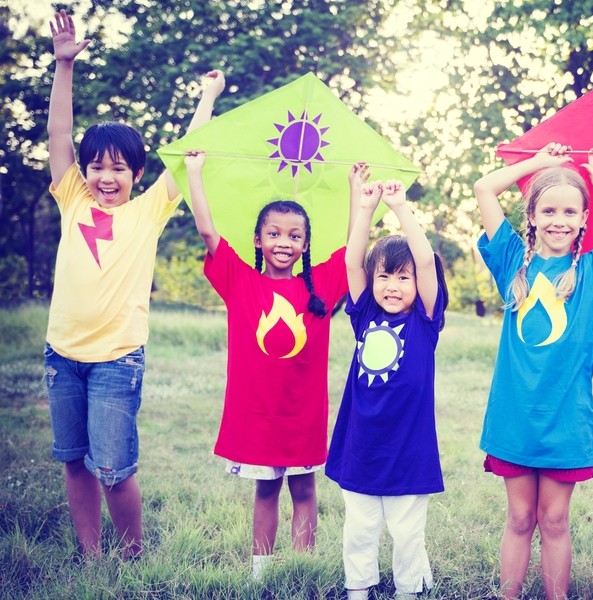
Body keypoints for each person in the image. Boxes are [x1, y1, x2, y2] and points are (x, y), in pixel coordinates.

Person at [44, 8, 223, 560]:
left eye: (119, 168)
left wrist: (207, 98)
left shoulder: (149, 211)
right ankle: (92, 554)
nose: (105, 177)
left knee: (115, 471)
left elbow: (188, 147)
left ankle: (130, 555)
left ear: (136, 175)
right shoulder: (71, 197)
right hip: (62, 356)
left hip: (117, 359)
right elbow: (57, 132)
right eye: (96, 165)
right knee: (74, 460)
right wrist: (64, 66)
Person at [473, 142, 593, 599]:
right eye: (548, 209)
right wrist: (541, 164)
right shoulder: (512, 260)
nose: (559, 220)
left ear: (582, 220)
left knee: (554, 520)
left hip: (565, 419)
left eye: (570, 212)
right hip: (515, 416)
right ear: (531, 216)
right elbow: (484, 188)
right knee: (519, 518)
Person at [183, 151, 359, 579]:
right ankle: (260, 570)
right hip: (257, 414)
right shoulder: (240, 281)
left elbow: (354, 248)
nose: (285, 242)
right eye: (275, 234)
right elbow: (206, 230)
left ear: (305, 244)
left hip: (302, 413)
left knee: (304, 488)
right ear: (258, 240)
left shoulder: (319, 289)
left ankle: (303, 567)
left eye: (295, 235)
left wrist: (358, 192)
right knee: (266, 489)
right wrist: (194, 172)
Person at [325, 172, 448, 600]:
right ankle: (358, 588)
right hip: (362, 442)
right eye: (385, 277)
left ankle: (409, 590)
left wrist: (399, 207)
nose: (392, 286)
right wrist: (364, 208)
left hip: (409, 447)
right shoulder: (363, 315)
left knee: (407, 531)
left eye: (402, 278)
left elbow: (428, 261)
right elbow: (351, 262)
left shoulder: (424, 321)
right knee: (359, 527)